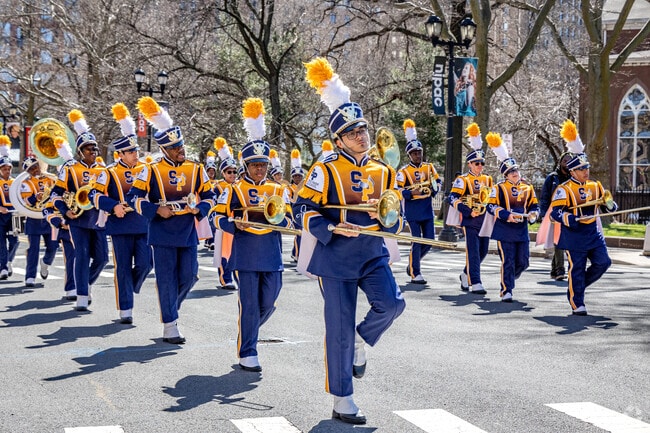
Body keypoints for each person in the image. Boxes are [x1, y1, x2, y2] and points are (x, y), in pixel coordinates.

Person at [296, 57, 405, 425]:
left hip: (372, 252)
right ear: (339, 139)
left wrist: (385, 217)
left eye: (363, 129)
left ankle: (363, 339)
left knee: (392, 304)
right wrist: (329, 229)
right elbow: (305, 210)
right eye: (354, 131)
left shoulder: (384, 170)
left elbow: (395, 217)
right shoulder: (324, 169)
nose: (363, 135)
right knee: (337, 328)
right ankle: (343, 398)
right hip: (336, 258)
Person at [212, 98, 292, 372]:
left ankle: (248, 334)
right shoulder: (233, 189)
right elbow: (217, 217)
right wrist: (235, 224)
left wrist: (284, 217)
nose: (260, 169)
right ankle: (248, 351)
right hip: (245, 254)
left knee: (269, 301)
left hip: (271, 252)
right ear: (246, 165)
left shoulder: (279, 189)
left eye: (263, 165)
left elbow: (290, 216)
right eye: (255, 165)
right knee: (248, 305)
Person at [127, 96, 215, 344]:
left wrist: (200, 209)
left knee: (190, 276)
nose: (181, 151)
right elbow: (134, 197)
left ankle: (170, 310)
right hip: (162, 230)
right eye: (175, 148)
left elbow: (210, 195)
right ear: (164, 149)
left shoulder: (195, 169)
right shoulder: (151, 169)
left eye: (182, 146)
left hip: (188, 229)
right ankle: (170, 324)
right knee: (166, 278)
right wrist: (155, 210)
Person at [92, 103, 153, 324]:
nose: (136, 154)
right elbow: (94, 196)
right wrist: (113, 206)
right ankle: (125, 309)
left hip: (143, 223)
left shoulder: (147, 169)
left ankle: (132, 286)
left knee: (146, 264)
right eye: (131, 152)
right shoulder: (107, 172)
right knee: (123, 267)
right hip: (120, 225)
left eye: (136, 151)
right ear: (120, 154)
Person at [550, 120, 617, 316]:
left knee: (603, 262)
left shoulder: (595, 185)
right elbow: (556, 212)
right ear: (572, 171)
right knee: (576, 268)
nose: (586, 171)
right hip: (574, 235)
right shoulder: (564, 189)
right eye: (581, 169)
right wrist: (568, 218)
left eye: (586, 167)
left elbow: (606, 203)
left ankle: (577, 286)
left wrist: (609, 205)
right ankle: (576, 301)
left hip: (592, 233)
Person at [51, 110, 109, 311]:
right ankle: (82, 295)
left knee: (102, 259)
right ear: (80, 151)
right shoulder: (70, 168)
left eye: (94, 148)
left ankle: (85, 283)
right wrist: (65, 211)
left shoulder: (103, 170)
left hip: (99, 219)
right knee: (82, 256)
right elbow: (55, 194)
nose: (92, 151)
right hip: (77, 219)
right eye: (88, 149)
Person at [484, 132, 539, 302]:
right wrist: (507, 215)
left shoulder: (527, 187)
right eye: (511, 171)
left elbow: (534, 206)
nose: (515, 173)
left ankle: (509, 279)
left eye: (516, 170)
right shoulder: (498, 188)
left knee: (524, 262)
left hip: (521, 229)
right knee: (507, 261)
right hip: (504, 230)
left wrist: (534, 215)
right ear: (505, 175)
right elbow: (490, 206)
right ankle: (506, 290)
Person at [448, 123, 493, 294]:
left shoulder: (488, 179)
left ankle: (466, 274)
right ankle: (476, 282)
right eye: (476, 163)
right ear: (469, 164)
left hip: (484, 220)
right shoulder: (463, 179)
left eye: (481, 163)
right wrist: (468, 211)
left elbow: (491, 197)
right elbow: (452, 198)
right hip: (470, 219)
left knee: (483, 252)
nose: (480, 166)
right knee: (473, 251)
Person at [396, 119, 442, 284]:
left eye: (419, 152)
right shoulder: (403, 171)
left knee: (429, 241)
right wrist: (411, 192)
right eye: (414, 153)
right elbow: (398, 190)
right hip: (413, 209)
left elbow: (437, 182)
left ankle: (412, 264)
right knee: (416, 241)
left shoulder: (429, 167)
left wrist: (434, 189)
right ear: (409, 155)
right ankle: (416, 272)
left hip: (427, 208)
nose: (417, 155)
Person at [19, 157, 58, 287]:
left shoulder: (49, 178)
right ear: (28, 171)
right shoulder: (26, 183)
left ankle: (45, 263)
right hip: (34, 218)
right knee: (33, 249)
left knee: (53, 246)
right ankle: (30, 277)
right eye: (31, 169)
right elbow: (26, 202)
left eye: (36, 166)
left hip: (49, 218)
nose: (35, 170)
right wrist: (36, 197)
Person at [539, 152, 572, 281]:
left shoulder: (573, 178)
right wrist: (544, 214)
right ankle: (560, 270)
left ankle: (554, 270)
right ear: (560, 162)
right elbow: (545, 197)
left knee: (562, 240)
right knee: (558, 240)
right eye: (565, 161)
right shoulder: (552, 178)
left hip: (569, 212)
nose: (567, 163)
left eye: (570, 161)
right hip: (555, 212)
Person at [213, 136, 238, 290]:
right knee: (223, 251)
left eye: (235, 171)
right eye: (229, 172)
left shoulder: (239, 186)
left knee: (235, 251)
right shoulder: (218, 187)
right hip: (224, 222)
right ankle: (225, 278)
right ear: (223, 173)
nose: (232, 174)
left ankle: (235, 276)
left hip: (237, 222)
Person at [43, 204, 76, 300]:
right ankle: (72, 287)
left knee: (99, 258)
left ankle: (86, 284)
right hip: (65, 230)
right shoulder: (54, 191)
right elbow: (46, 210)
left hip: (86, 226)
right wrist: (60, 222)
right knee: (71, 258)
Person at [0, 136, 19, 280]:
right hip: (1, 215)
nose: (7, 171)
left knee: (14, 241)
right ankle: (3, 268)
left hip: (13, 215)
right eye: (4, 169)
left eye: (8, 168)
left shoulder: (15, 182)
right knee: (1, 243)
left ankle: (8, 260)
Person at [289, 149, 305, 261]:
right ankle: (297, 254)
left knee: (304, 235)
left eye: (299, 176)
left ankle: (297, 252)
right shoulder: (289, 188)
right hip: (293, 212)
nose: (297, 178)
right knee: (299, 234)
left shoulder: (305, 188)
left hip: (303, 212)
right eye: (295, 176)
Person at [203, 150, 218, 251]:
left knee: (213, 223)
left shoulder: (218, 183)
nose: (211, 173)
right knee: (208, 223)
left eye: (213, 171)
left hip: (215, 205)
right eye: (209, 171)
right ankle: (209, 240)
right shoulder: (204, 182)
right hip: (206, 204)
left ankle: (212, 241)